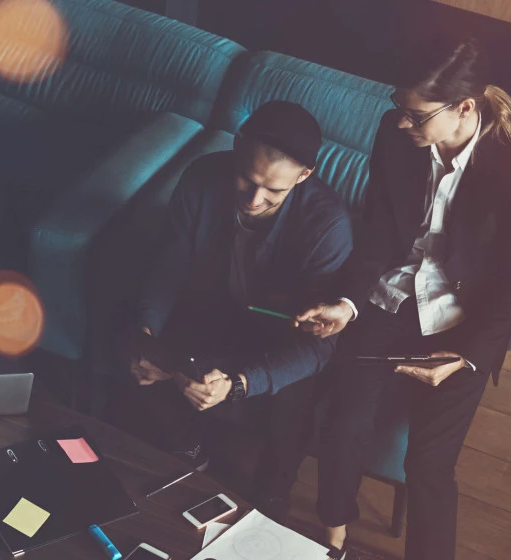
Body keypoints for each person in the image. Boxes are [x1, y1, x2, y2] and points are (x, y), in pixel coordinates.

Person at [293, 38, 511, 560]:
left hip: (463, 326)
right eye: (399, 112)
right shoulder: (394, 135)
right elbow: (376, 232)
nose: (402, 124)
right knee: (345, 414)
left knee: (431, 467)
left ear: (464, 109)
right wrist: (348, 304)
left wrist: (462, 357)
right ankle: (333, 536)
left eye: (416, 116)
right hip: (393, 301)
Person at [127, 101, 354, 514]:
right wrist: (147, 337)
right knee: (141, 348)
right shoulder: (202, 177)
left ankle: (273, 491)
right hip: (211, 311)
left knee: (295, 390)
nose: (254, 199)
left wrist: (240, 383)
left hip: (281, 334)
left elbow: (319, 347)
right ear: (236, 150)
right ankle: (187, 448)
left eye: (274, 190)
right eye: (246, 180)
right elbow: (169, 265)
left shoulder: (329, 225)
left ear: (304, 176)